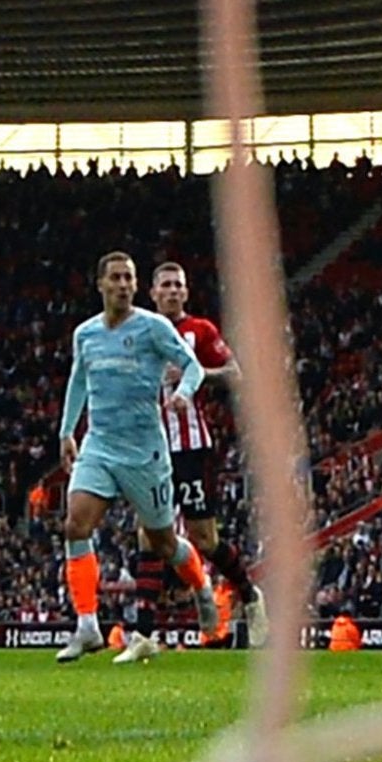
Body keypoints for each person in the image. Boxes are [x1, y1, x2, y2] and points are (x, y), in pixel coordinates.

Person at [54, 253, 218, 664]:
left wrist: (182, 394)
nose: (124, 284)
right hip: (100, 444)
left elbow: (192, 365)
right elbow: (79, 381)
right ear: (101, 284)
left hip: (145, 451)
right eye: (116, 278)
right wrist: (66, 431)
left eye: (130, 277)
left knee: (162, 541)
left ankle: (201, 588)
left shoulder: (153, 327)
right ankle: (88, 627)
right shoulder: (86, 334)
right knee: (76, 524)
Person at [141, 262, 266, 649]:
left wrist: (195, 376)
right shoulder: (139, 332)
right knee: (148, 535)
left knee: (204, 538)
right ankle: (143, 631)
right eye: (166, 285)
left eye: (179, 285)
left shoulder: (201, 331)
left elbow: (235, 373)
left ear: (186, 293)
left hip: (192, 447)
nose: (173, 291)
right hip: (148, 448)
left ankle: (249, 595)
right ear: (153, 293)